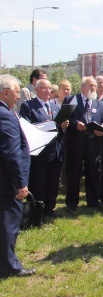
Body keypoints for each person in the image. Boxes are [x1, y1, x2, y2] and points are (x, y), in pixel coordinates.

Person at [19, 79, 68, 218]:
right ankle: (36, 210)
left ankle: (49, 208)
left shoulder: (55, 107)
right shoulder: (28, 106)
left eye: (49, 89)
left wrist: (63, 127)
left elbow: (58, 128)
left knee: (53, 182)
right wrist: (46, 125)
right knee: (38, 182)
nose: (48, 91)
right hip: (40, 151)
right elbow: (27, 127)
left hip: (56, 150)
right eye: (44, 88)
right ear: (36, 90)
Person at [0, 75, 33, 278]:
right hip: (7, 182)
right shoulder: (5, 115)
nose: (19, 95)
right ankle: (10, 267)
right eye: (17, 91)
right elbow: (10, 152)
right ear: (5, 93)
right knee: (9, 223)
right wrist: (20, 184)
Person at [63, 76, 103, 212]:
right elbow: (65, 117)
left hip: (93, 143)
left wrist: (102, 131)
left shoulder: (100, 104)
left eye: (94, 86)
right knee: (74, 173)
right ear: (82, 87)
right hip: (75, 143)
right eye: (90, 85)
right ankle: (71, 202)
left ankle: (93, 201)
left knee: (93, 172)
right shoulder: (71, 100)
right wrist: (76, 124)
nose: (93, 88)